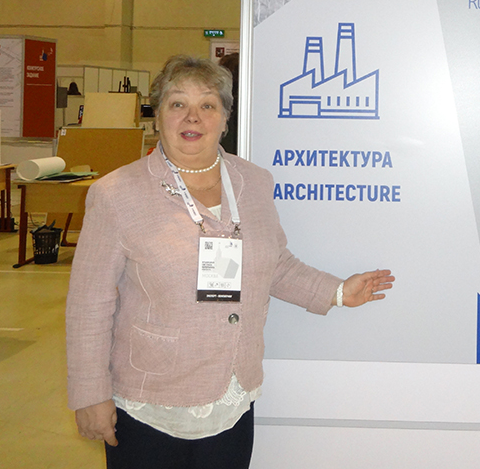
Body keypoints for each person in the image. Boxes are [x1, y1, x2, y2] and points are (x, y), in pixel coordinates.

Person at [66, 54, 393, 468]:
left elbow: (274, 263)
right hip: (150, 402)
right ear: (157, 116)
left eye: (208, 105)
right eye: (177, 103)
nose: (193, 116)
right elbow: (89, 305)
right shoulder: (117, 193)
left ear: (224, 119)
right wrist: (90, 394)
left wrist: (339, 291)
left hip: (233, 398)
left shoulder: (253, 182)